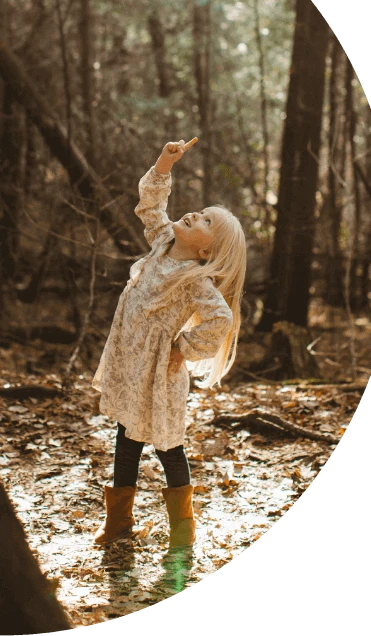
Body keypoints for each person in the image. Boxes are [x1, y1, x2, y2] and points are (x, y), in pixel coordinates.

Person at [91, 137, 247, 550]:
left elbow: (220, 319)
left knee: (167, 448)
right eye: (202, 213)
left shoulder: (194, 279)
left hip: (160, 377)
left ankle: (182, 533)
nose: (195, 214)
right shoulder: (162, 242)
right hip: (131, 366)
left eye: (206, 222)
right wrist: (164, 163)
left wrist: (184, 349)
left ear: (207, 248)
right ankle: (119, 523)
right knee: (126, 441)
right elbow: (151, 206)